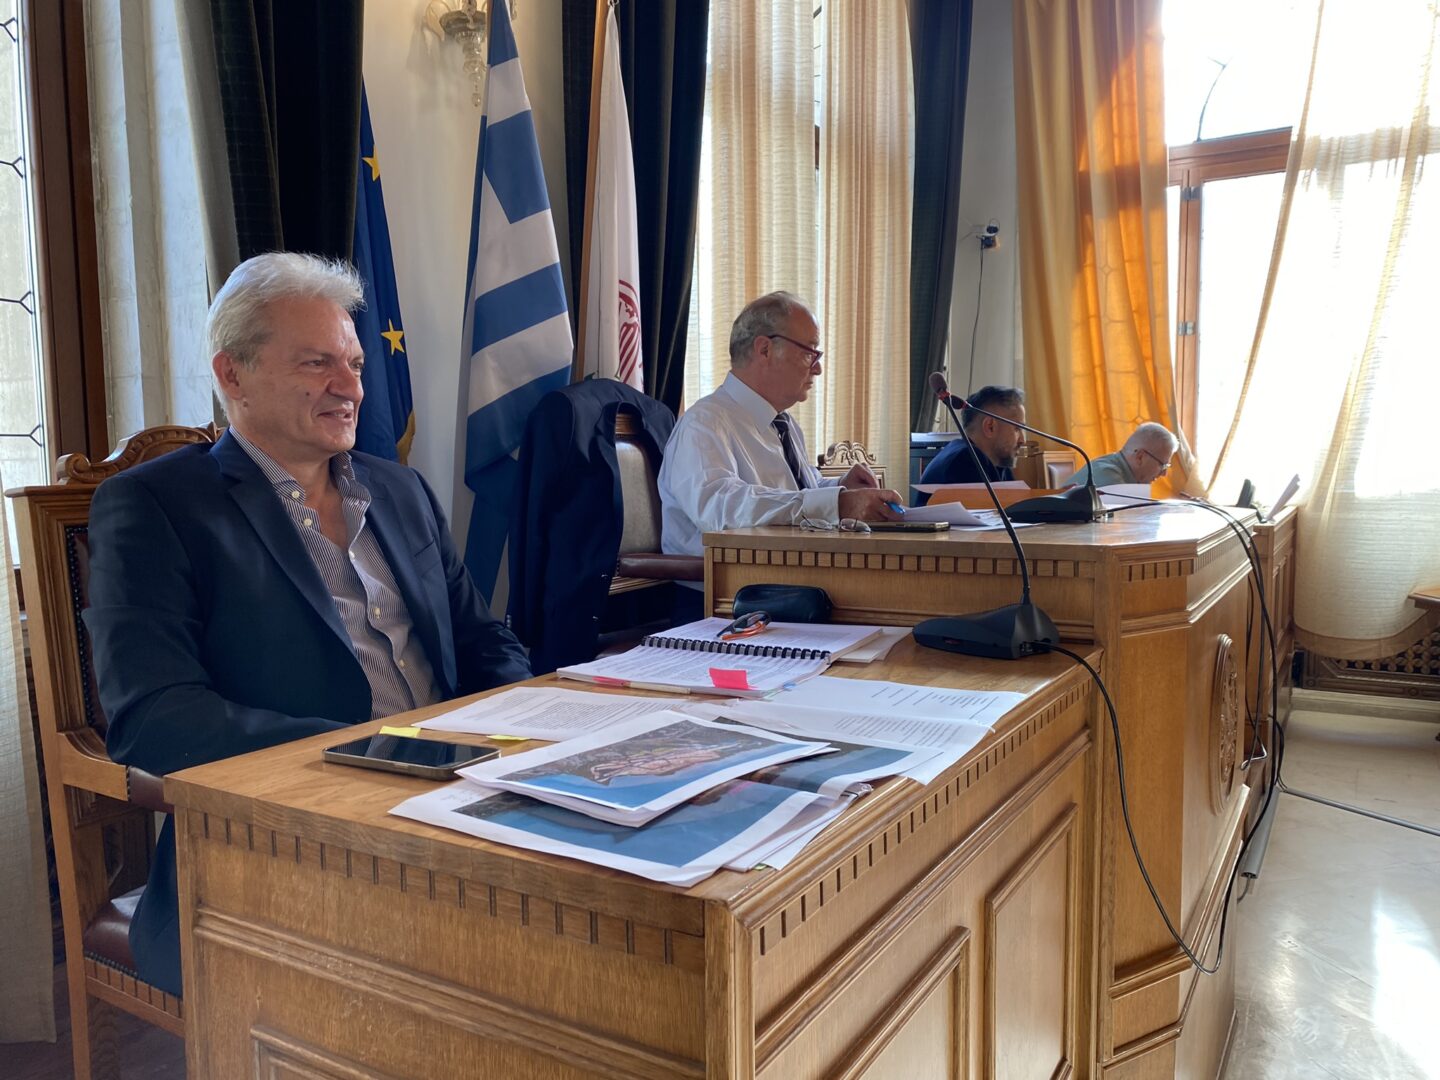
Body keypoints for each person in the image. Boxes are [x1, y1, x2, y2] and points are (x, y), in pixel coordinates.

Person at [83, 252, 532, 995]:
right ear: (233, 375)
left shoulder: (401, 490)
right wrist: (372, 755)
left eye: (353, 363)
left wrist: (524, 728)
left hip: (459, 794)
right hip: (287, 836)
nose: (350, 388)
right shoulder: (156, 506)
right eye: (317, 363)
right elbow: (154, 717)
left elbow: (482, 640)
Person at [658, 292, 903, 621]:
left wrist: (840, 487)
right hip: (724, 603)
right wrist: (835, 504)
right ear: (764, 349)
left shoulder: (783, 423)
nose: (818, 367)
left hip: (787, 587)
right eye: (810, 352)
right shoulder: (705, 424)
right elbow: (722, 512)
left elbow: (794, 491)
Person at [915, 385, 1026, 504]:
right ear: (990, 427)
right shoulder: (965, 459)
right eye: (1017, 428)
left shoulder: (998, 462)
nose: (1022, 440)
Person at [1061, 422, 1178, 488]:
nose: (1164, 473)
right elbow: (1132, 518)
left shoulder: (1126, 475)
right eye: (1162, 465)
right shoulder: (1108, 474)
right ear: (1140, 457)